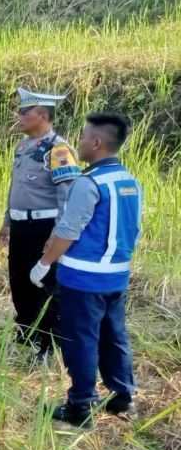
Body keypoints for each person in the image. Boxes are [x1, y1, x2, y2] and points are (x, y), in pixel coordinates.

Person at [31, 112, 142, 427]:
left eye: (82, 137)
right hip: (117, 275)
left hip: (83, 278)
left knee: (80, 339)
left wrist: (44, 264)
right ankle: (123, 397)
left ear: (97, 142)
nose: (78, 143)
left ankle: (80, 405)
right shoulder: (129, 181)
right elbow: (134, 229)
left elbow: (68, 231)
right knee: (114, 334)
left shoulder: (88, 182)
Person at [0, 88, 80, 363]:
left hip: (44, 227)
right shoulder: (23, 147)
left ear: (43, 116)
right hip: (21, 227)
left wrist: (57, 234)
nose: (18, 116)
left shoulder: (58, 150)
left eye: (25, 112)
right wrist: (7, 222)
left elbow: (68, 196)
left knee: (44, 287)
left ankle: (47, 347)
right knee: (19, 282)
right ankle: (27, 337)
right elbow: (15, 189)